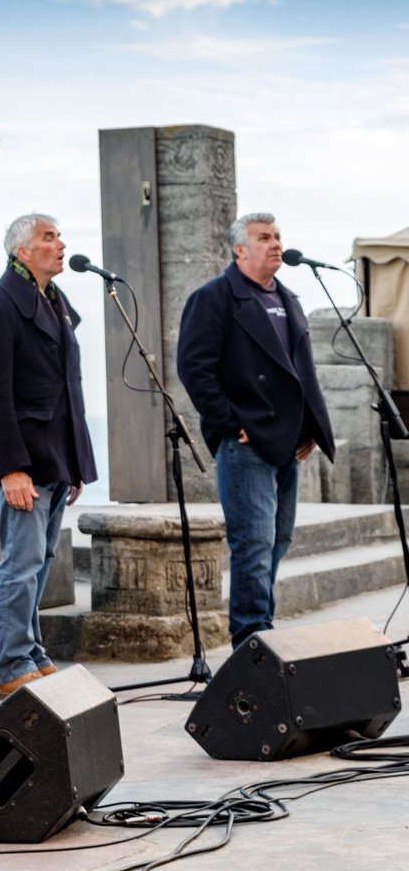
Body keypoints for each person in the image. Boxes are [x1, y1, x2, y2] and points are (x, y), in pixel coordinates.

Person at [177, 212, 334, 647]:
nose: (275, 244)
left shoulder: (289, 298)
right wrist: (230, 423)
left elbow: (301, 372)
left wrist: (310, 429)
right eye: (264, 237)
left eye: (278, 236)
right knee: (253, 543)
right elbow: (194, 367)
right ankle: (252, 640)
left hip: (288, 442)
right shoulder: (215, 298)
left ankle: (262, 627)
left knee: (278, 540)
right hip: (245, 444)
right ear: (239, 249)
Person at [0, 214, 98, 699]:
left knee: (40, 559)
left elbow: (66, 390)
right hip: (25, 461)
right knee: (19, 564)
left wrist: (75, 461)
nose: (61, 244)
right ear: (23, 251)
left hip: (54, 457)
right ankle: (13, 663)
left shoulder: (55, 304)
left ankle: (32, 650)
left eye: (59, 235)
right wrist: (10, 468)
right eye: (49, 237)